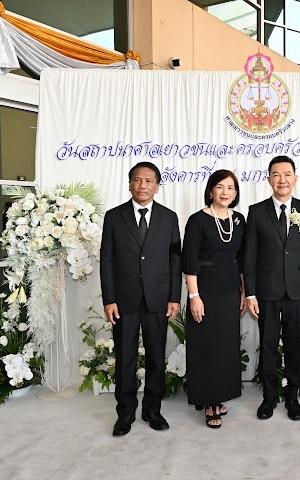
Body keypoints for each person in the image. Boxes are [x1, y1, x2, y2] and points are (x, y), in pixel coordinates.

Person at [100, 161, 182, 436]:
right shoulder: (114, 217)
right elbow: (107, 260)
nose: (142, 185)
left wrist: (174, 297)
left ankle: (152, 410)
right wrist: (109, 299)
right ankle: (125, 413)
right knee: (126, 357)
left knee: (156, 357)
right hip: (124, 300)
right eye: (137, 180)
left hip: (158, 298)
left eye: (148, 181)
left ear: (157, 186)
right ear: (129, 184)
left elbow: (175, 259)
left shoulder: (169, 218)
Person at [244, 155, 300, 421]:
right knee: (267, 344)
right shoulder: (256, 211)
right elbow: (250, 256)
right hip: (266, 290)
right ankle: (269, 397)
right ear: (269, 179)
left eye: (287, 174)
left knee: (293, 345)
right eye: (276, 174)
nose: (282, 180)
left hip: (297, 290)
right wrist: (250, 293)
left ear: (295, 178)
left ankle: (292, 397)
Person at [182, 169, 246, 428]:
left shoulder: (239, 220)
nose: (225, 192)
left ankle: (220, 396)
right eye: (220, 187)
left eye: (230, 188)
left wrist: (244, 291)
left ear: (236, 192)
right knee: (206, 347)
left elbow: (242, 259)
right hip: (205, 292)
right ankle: (208, 402)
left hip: (230, 292)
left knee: (225, 347)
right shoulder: (197, 220)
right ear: (210, 191)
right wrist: (194, 296)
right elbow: (190, 261)